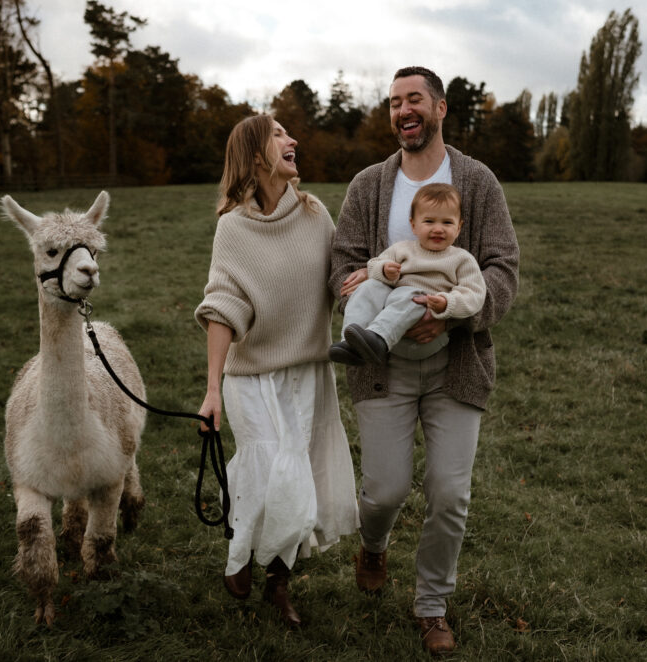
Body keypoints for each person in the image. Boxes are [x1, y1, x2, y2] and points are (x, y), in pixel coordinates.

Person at [329, 66, 519, 655]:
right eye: (393, 103)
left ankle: (432, 605)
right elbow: (342, 264)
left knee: (449, 493)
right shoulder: (368, 185)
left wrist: (455, 315)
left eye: (414, 100)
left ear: (440, 108)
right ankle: (375, 546)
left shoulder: (478, 182)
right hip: (381, 364)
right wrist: (355, 286)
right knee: (384, 490)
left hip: (455, 363)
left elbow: (502, 268)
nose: (403, 111)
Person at [196, 114, 359, 628]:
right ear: (257, 154)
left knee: (298, 475)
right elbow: (222, 305)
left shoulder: (315, 215)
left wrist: (366, 288)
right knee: (267, 468)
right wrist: (212, 390)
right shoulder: (232, 228)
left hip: (308, 372)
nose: (294, 140)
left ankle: (279, 582)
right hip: (250, 377)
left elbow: (338, 282)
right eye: (281, 134)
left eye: (292, 133)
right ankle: (241, 550)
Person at [328, 182, 485, 366]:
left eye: (447, 222)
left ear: (458, 227)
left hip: (426, 334)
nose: (438, 229)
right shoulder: (401, 250)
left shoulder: (461, 259)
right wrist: (385, 270)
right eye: (429, 221)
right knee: (370, 286)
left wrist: (447, 303)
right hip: (393, 326)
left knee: (411, 295)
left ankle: (377, 339)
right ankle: (352, 343)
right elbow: (373, 266)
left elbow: (474, 293)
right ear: (413, 225)